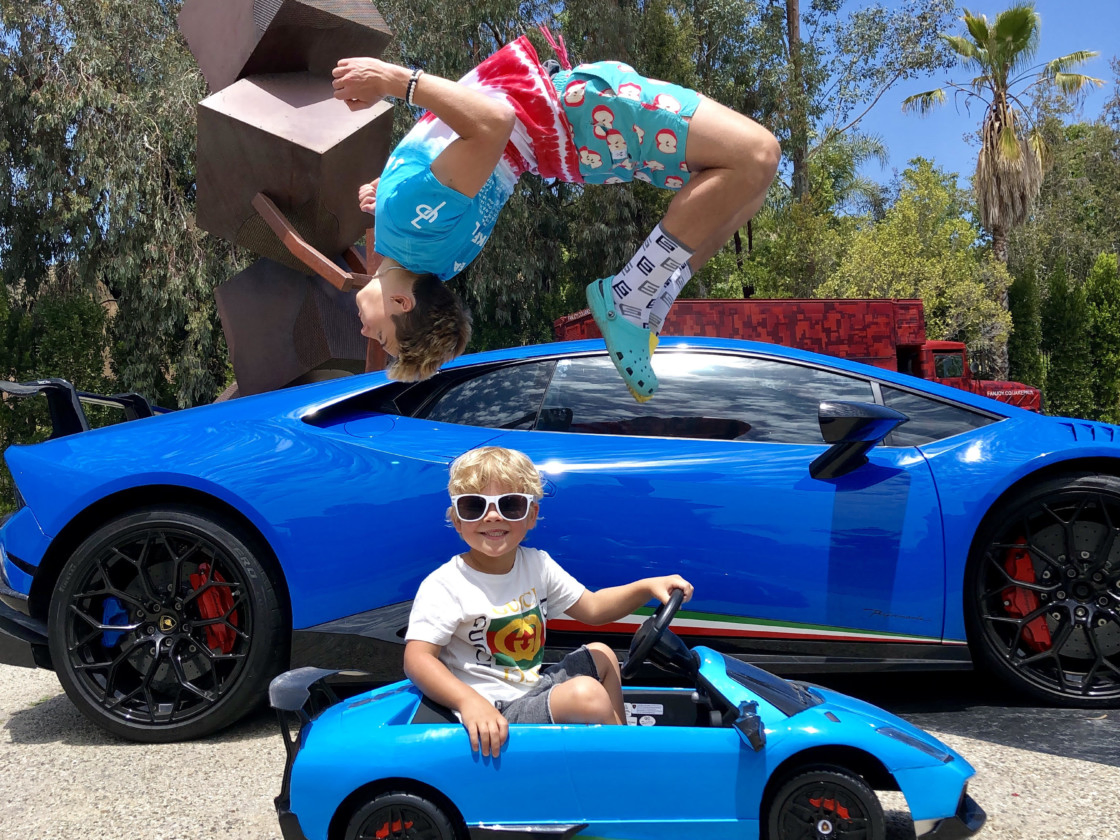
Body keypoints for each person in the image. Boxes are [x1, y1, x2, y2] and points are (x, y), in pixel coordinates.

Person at [334, 32, 780, 398]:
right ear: (401, 303)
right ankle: (630, 296)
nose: (367, 332)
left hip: (581, 140)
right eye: (381, 336)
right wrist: (394, 79)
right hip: (582, 116)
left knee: (747, 188)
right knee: (756, 156)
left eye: (381, 341)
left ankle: (657, 294)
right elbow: (493, 123)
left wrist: (390, 187)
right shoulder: (411, 229)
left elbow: (455, 175)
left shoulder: (432, 257)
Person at [404, 446, 693, 756]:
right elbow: (417, 659)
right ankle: (626, 761)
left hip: (533, 688)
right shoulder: (447, 584)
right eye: (474, 506)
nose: (492, 515)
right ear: (457, 520)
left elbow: (594, 608)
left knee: (602, 654)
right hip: (493, 711)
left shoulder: (537, 564)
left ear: (531, 515)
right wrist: (468, 702)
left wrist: (646, 587)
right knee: (587, 694)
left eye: (510, 504)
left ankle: (619, 744)